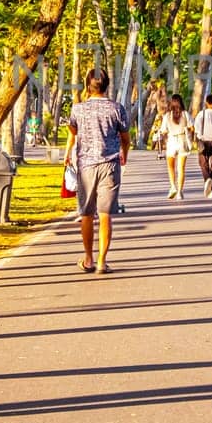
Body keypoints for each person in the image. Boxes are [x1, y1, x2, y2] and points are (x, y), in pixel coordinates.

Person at [63, 67, 130, 275]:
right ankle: (102, 261)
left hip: (86, 166)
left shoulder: (78, 109)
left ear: (87, 86)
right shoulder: (117, 109)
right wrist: (124, 154)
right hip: (110, 164)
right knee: (105, 215)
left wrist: (70, 151)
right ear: (107, 85)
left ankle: (88, 258)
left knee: (86, 213)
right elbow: (125, 138)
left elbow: (73, 131)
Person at [157, 94, 195, 199]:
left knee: (171, 167)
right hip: (182, 139)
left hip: (172, 140)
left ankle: (173, 186)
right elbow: (192, 127)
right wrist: (188, 131)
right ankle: (179, 192)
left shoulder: (167, 116)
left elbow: (163, 131)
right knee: (181, 168)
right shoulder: (185, 114)